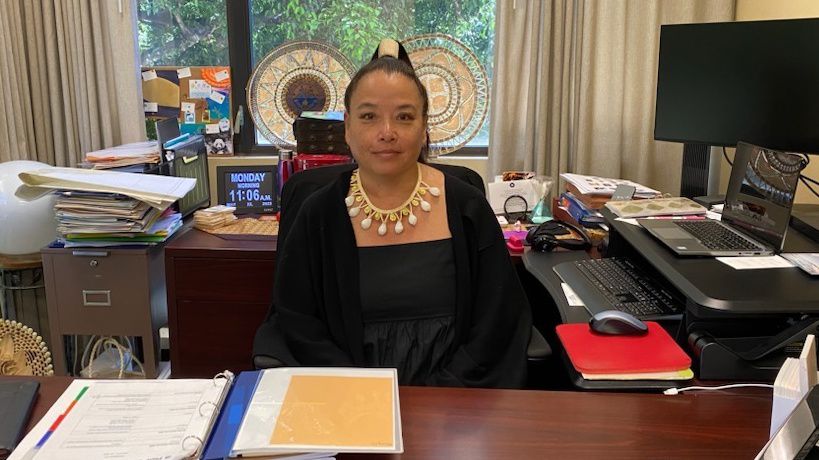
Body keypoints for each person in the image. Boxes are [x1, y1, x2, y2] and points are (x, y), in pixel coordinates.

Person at [264, 38, 532, 388]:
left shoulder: (466, 207)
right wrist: (361, 394)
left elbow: (497, 320)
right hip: (349, 402)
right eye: (369, 116)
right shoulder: (319, 214)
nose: (386, 132)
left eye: (404, 117)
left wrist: (445, 395)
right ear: (347, 127)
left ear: (423, 128)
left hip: (456, 403)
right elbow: (298, 322)